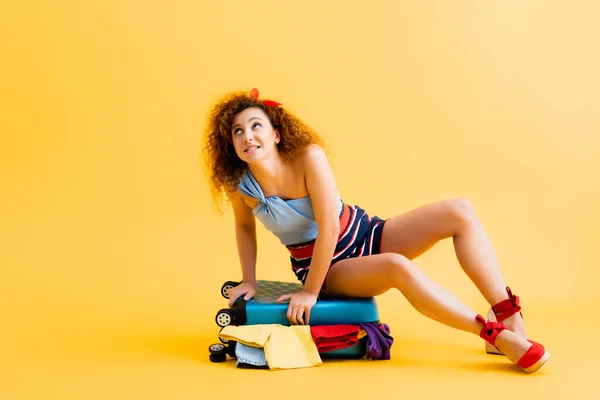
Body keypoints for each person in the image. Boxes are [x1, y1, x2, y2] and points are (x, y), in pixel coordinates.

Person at [202, 88, 549, 373]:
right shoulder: (241, 185)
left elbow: (329, 224)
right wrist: (257, 281)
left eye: (256, 126)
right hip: (329, 268)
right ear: (231, 143)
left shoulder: (309, 156)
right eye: (238, 131)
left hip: (366, 232)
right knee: (397, 266)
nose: (248, 136)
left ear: (276, 133)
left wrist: (305, 294)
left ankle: (507, 314)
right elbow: (245, 228)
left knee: (460, 210)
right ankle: (495, 335)